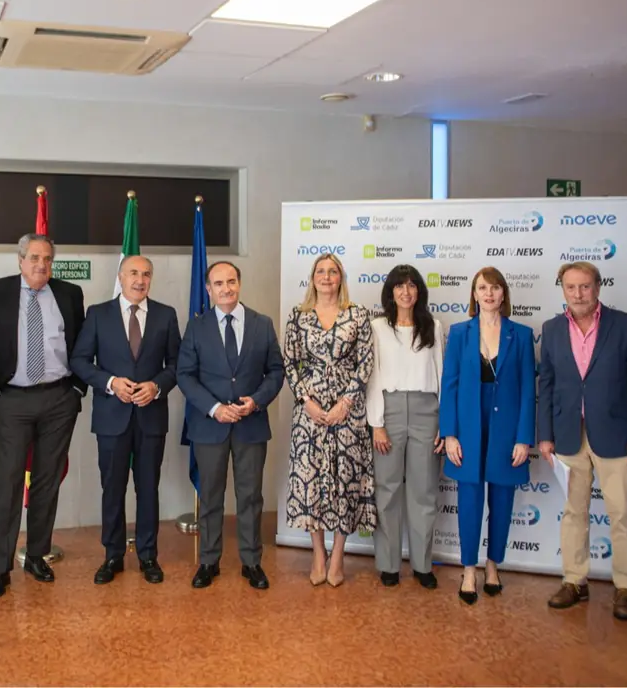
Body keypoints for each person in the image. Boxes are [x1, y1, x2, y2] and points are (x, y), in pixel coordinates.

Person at [0, 233, 86, 599]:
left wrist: (78, 389)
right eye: (34, 258)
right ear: (20, 260)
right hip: (13, 401)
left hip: (58, 399)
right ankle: (0, 567)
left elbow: (83, 344)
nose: (41, 265)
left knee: (46, 481)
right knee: (9, 483)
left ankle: (36, 555)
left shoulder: (69, 294)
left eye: (47, 259)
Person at [537, 261, 627, 621]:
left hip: (616, 435)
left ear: (598, 287)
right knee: (574, 513)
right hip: (569, 435)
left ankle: (625, 587)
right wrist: (545, 436)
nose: (578, 294)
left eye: (585, 286)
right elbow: (548, 386)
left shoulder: (625, 326)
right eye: (571, 287)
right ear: (563, 290)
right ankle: (574, 581)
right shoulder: (552, 329)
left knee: (621, 514)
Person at [71, 255, 181, 585]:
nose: (140, 279)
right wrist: (109, 383)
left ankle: (148, 555)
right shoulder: (98, 314)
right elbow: (79, 360)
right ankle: (113, 555)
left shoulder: (166, 315)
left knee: (148, 488)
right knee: (113, 488)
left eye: (146, 274)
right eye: (133, 272)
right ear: (120, 275)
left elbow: (177, 365)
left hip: (150, 417)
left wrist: (157, 386)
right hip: (111, 417)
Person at [177, 261, 285, 590]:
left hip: (250, 426)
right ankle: (209, 561)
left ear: (239, 283)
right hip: (210, 426)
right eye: (219, 283)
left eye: (232, 281)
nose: (226, 288)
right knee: (210, 497)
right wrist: (213, 408)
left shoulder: (262, 324)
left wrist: (257, 400)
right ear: (208, 289)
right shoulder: (196, 327)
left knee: (250, 496)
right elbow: (185, 375)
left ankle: (251, 562)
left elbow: (276, 371)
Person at [439, 266, 535, 605]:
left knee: (502, 501)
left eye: (495, 288)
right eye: (482, 288)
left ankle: (493, 566)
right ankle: (469, 569)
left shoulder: (521, 335)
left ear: (504, 293)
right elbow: (448, 385)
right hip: (467, 426)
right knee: (469, 500)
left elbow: (527, 390)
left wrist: (524, 438)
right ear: (474, 294)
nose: (489, 293)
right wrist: (449, 434)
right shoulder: (460, 332)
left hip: (506, 428)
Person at [284, 253, 376, 587]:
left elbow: (365, 363)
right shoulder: (298, 316)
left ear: (341, 277)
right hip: (309, 415)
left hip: (347, 415)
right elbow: (289, 363)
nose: (326, 276)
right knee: (311, 484)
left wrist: (346, 402)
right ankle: (317, 554)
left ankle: (338, 556)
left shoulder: (358, 315)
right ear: (312, 277)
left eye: (332, 271)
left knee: (343, 485)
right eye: (320, 271)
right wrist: (305, 401)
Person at [367, 264, 445, 590]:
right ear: (391, 291)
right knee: (386, 491)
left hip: (427, 411)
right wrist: (377, 424)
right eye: (400, 286)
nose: (406, 292)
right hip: (390, 410)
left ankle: (423, 565)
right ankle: (388, 565)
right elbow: (372, 378)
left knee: (423, 491)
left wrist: (444, 422)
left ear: (419, 291)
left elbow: (442, 375)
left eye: (412, 286)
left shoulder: (434, 326)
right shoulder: (377, 327)